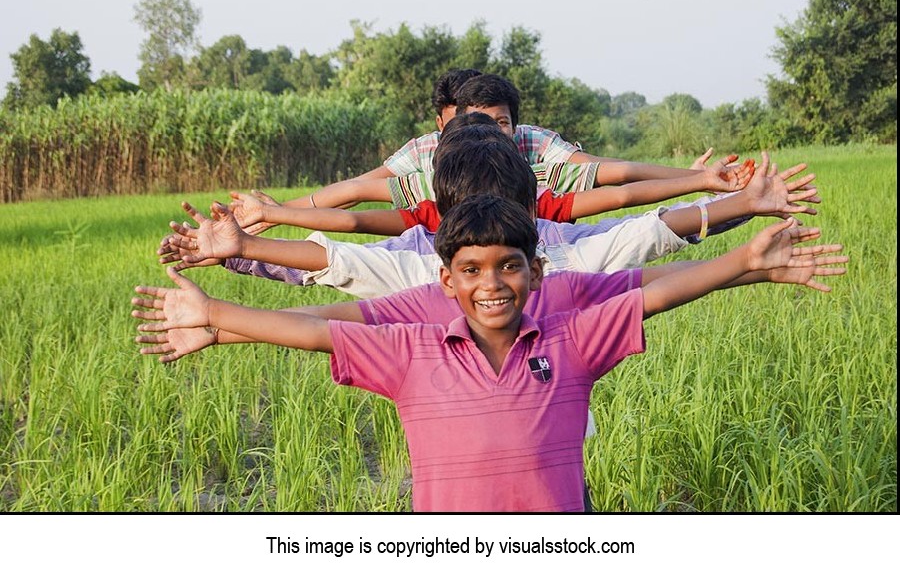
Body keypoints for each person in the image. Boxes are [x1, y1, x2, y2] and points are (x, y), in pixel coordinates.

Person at [132, 194, 846, 511]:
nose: (492, 284)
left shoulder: (571, 339)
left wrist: (748, 259)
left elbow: (653, 292)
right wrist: (214, 315)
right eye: (471, 270)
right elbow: (323, 328)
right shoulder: (414, 350)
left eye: (509, 265)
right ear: (446, 280)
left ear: (537, 270)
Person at [159, 140, 819, 299]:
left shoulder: (558, 258)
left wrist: (740, 209)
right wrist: (244, 244)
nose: (489, 283)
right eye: (471, 264)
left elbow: (642, 226)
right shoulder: (427, 264)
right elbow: (339, 255)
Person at [219, 119, 753, 237]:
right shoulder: (430, 206)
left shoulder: (539, 189)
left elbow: (623, 186)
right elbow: (357, 205)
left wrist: (702, 181)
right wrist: (270, 214)